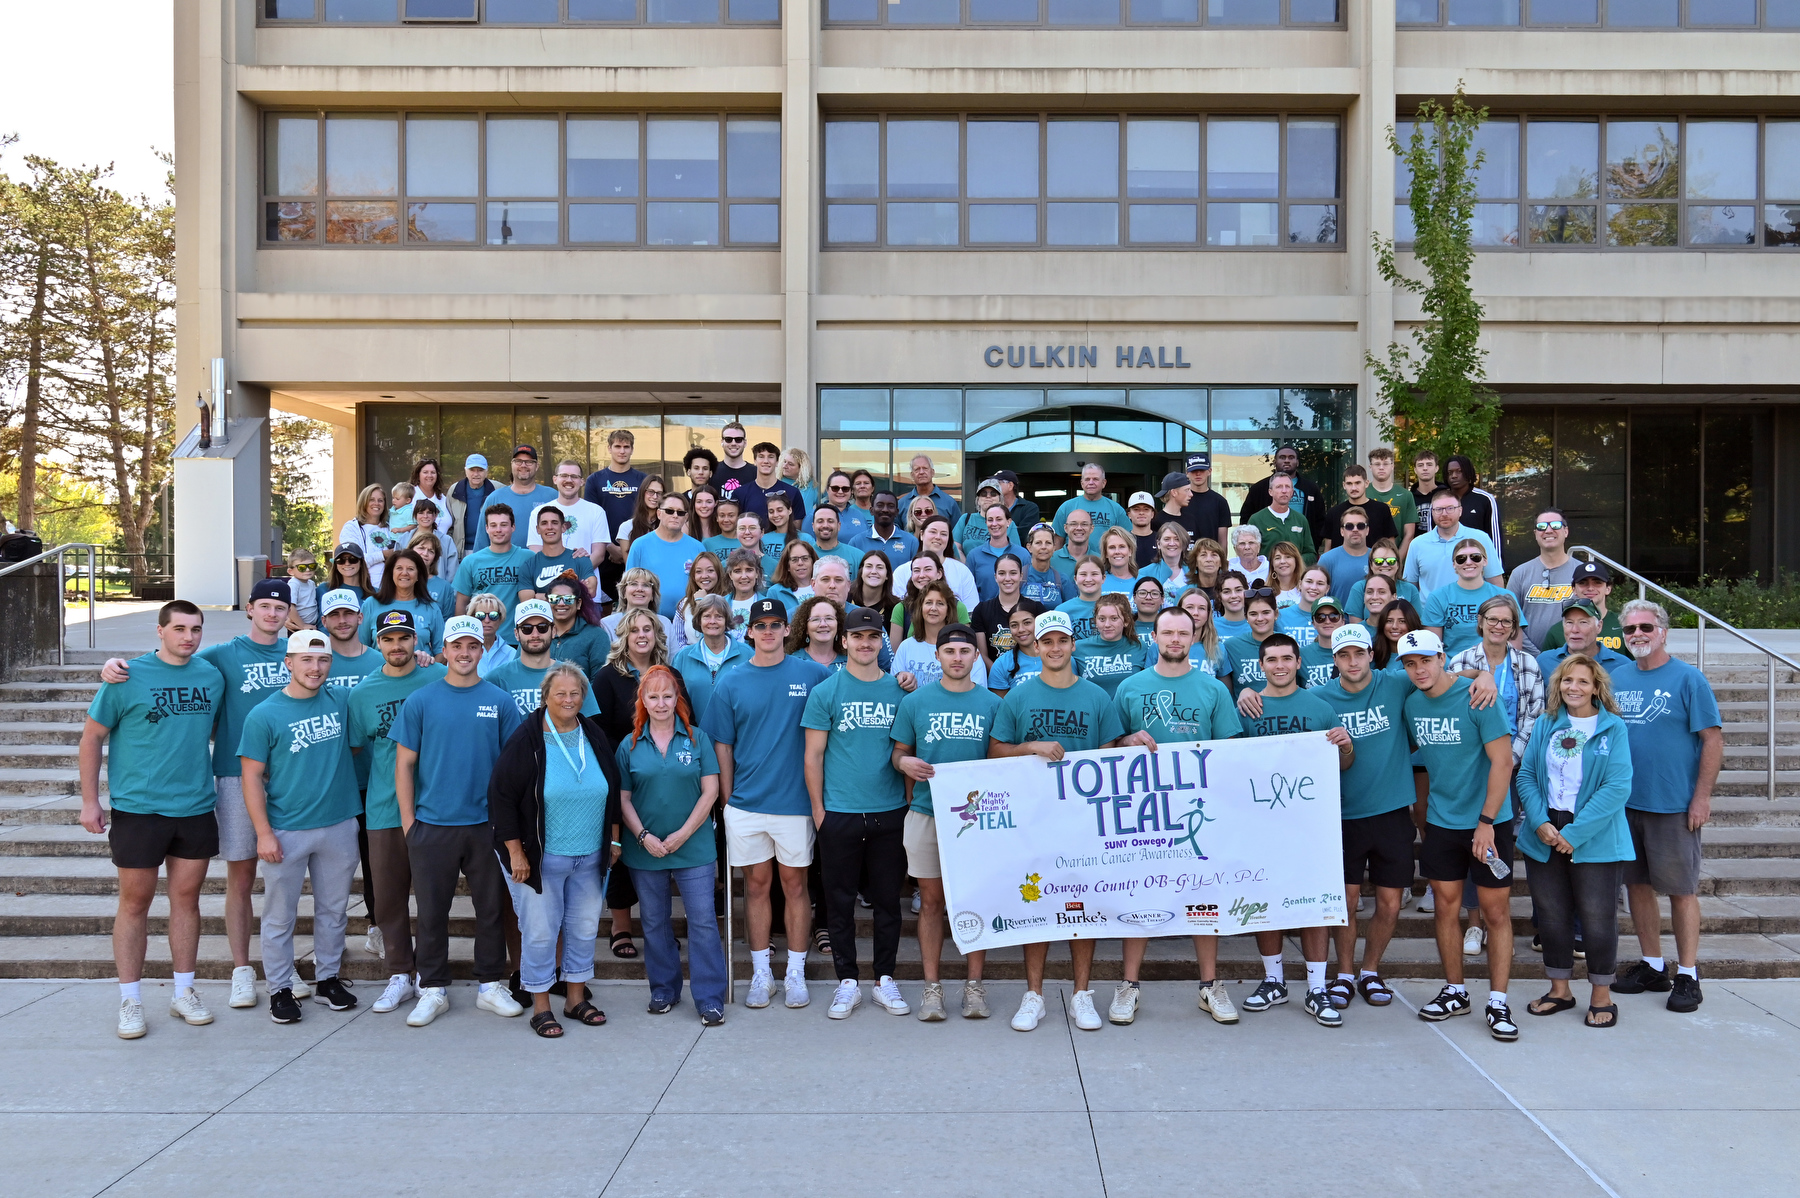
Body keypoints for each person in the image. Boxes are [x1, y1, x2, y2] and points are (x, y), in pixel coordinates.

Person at [100, 579, 299, 1011]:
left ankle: (276, 969)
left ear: (290, 613)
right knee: (235, 880)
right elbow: (167, 663)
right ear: (249, 608)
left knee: (283, 881)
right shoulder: (219, 657)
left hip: (285, 780)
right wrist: (115, 665)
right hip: (226, 778)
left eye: (280, 607)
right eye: (264, 606)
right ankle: (238, 972)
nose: (272, 614)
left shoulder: (297, 653)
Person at [80, 600, 224, 1038]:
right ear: (160, 631)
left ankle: (184, 992)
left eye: (196, 629)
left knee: (187, 900)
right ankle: (131, 1000)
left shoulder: (211, 676)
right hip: (139, 809)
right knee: (135, 903)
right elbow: (92, 738)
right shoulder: (126, 676)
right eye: (179, 628)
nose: (188, 637)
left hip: (195, 806)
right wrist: (90, 801)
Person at [989, 610, 1128, 1033]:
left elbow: (1109, 756)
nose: (1054, 648)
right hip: (1033, 821)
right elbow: (995, 750)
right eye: (1046, 641)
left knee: (1081, 905)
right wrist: (1029, 746)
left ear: (1072, 644)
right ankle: (1034, 994)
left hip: (1084, 822)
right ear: (1035, 646)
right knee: (1035, 903)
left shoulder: (1096, 697)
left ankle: (1082, 993)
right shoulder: (1018, 697)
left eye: (1061, 641)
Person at [1108, 605, 1242, 1025]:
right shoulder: (1130, 687)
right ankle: (1129, 986)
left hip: (1198, 815)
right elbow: (1108, 747)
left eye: (1183, 633)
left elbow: (1228, 753)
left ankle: (1210, 986)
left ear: (1195, 637)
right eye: (1167, 632)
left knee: (1204, 897)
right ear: (1154, 637)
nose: (1175, 640)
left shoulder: (1213, 689)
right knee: (1139, 896)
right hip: (1144, 814)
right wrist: (1126, 740)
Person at [392, 614, 527, 1026]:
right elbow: (404, 765)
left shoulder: (500, 701)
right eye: (457, 646)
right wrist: (410, 824)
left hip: (487, 825)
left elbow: (513, 770)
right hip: (432, 825)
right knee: (432, 913)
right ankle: (433, 988)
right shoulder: (421, 700)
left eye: (472, 646)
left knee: (491, 910)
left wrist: (510, 827)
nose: (465, 653)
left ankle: (490, 985)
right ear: (444, 651)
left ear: (482, 650)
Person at [700, 599, 831, 1011]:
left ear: (788, 630)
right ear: (749, 632)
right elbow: (722, 746)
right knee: (756, 886)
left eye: (776, 624)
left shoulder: (812, 674)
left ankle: (795, 972)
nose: (769, 631)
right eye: (762, 625)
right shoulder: (731, 681)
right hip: (747, 803)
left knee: (795, 886)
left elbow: (845, 702)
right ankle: (761, 974)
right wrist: (728, 801)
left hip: (795, 803)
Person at [1397, 629, 1520, 1041]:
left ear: (1441, 658)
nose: (1419, 670)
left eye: (1425, 660)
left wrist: (1486, 823)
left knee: (1495, 914)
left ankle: (1498, 1001)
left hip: (1489, 822)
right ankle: (1456, 991)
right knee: (1446, 910)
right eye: (1410, 664)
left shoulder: (1479, 697)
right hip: (1441, 821)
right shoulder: (1412, 704)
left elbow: (1503, 763)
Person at [237, 629, 363, 1023]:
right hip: (287, 828)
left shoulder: (341, 700)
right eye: (306, 659)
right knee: (279, 915)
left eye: (323, 660)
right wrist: (263, 833)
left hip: (339, 822)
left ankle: (328, 979)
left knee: (333, 910)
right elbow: (250, 776)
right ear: (288, 663)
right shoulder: (264, 714)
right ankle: (279, 989)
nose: (315, 667)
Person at [489, 660, 619, 1037]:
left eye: (575, 693)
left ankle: (575, 999)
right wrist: (516, 852)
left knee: (583, 928)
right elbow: (501, 798)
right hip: (540, 858)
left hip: (589, 856)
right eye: (560, 693)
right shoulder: (527, 739)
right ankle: (541, 1007)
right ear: (545, 696)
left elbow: (611, 786)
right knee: (541, 933)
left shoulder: (592, 733)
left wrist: (613, 838)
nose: (568, 699)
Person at [1231, 633, 1355, 1027]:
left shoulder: (1320, 707)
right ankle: (1274, 981)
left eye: (1287, 658)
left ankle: (1317, 988)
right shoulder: (1248, 707)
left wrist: (1346, 746)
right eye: (1272, 660)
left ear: (1299, 662)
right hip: (1261, 825)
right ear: (1261, 665)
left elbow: (1342, 765)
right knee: (1265, 902)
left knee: (1314, 902)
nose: (1280, 666)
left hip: (1310, 827)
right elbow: (1230, 764)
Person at [1610, 600, 1723, 1013]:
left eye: (1645, 627)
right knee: (1637, 886)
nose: (1637, 634)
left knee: (1681, 890)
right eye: (1630, 629)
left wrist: (1701, 797)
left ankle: (1688, 973)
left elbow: (1712, 739)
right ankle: (1653, 965)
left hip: (1673, 805)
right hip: (1625, 804)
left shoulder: (1688, 678)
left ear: (1663, 631)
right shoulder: (1617, 678)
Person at [803, 606, 913, 1019]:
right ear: (844, 641)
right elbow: (813, 756)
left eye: (873, 636)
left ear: (881, 641)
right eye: (858, 636)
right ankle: (847, 981)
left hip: (889, 811)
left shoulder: (900, 691)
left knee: (887, 902)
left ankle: (885, 979)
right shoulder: (826, 691)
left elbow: (906, 750)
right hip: (840, 812)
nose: (865, 643)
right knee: (839, 903)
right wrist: (820, 812)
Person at [891, 625, 1003, 1021]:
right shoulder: (916, 702)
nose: (957, 658)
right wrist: (905, 763)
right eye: (950, 651)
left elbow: (1002, 758)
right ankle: (932, 987)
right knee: (931, 902)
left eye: (964, 651)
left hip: (977, 819)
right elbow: (899, 753)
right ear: (937, 656)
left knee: (975, 900)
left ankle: (974, 986)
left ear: (975, 657)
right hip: (926, 812)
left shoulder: (991, 704)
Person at [1517, 654, 1635, 1028]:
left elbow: (1617, 786)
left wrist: (1575, 833)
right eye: (1567, 680)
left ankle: (1601, 996)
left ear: (1596, 687)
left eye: (1583, 681)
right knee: (1551, 916)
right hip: (1545, 830)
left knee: (1598, 918)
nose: (1574, 687)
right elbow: (1526, 776)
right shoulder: (1546, 723)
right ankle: (1560, 991)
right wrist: (1539, 821)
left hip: (1593, 833)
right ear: (1558, 685)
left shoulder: (1613, 728)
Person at [1311, 623, 1416, 1010]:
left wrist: (1483, 676)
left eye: (1359, 653)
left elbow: (1443, 674)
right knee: (1347, 902)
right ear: (1334, 659)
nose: (1352, 661)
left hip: (1392, 811)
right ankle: (1343, 974)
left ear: (1372, 655)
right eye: (1344, 655)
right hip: (1342, 815)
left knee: (1389, 903)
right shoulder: (1319, 698)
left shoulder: (1395, 683)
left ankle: (1370, 970)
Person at [346, 611, 446, 1016]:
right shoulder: (362, 693)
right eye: (388, 638)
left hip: (435, 807)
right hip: (384, 808)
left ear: (416, 640)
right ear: (377, 642)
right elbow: (354, 748)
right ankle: (399, 973)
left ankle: (430, 974)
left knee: (433, 898)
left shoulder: (438, 678)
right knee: (388, 898)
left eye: (404, 637)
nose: (397, 645)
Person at [618, 664, 728, 1025]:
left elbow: (711, 791)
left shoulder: (698, 739)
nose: (661, 703)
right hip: (645, 850)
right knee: (654, 922)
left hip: (694, 848)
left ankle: (709, 997)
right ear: (643, 701)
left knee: (703, 921)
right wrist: (643, 836)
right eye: (653, 696)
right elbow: (623, 799)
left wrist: (683, 833)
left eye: (668, 696)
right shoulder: (629, 745)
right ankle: (664, 988)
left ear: (677, 698)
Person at [487, 599, 605, 721]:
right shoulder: (496, 678)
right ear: (516, 633)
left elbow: (586, 725)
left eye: (542, 627)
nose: (535, 635)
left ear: (553, 631)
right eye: (527, 628)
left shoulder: (575, 676)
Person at [453, 504, 536, 643]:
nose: (498, 530)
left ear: (513, 527)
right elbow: (461, 605)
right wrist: (462, 637)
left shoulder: (529, 558)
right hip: (480, 639)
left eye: (504, 525)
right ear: (486, 528)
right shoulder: (470, 561)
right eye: (493, 525)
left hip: (518, 639)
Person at [1422, 538, 1517, 657]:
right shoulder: (1438, 597)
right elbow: (1433, 648)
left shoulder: (1505, 596)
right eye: (1461, 559)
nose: (1468, 562)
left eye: (1475, 557)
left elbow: (1514, 643)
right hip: (1452, 665)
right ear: (1454, 564)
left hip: (1497, 664)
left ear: (1485, 561)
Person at [892, 579, 990, 691]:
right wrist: (901, 678)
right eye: (929, 602)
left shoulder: (966, 648)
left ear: (948, 610)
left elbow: (979, 691)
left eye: (940, 603)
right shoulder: (906, 647)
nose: (933, 608)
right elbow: (894, 689)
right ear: (921, 608)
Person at [672, 593, 754, 721]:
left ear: (727, 620)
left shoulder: (747, 654)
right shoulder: (683, 657)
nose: (712, 621)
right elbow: (673, 698)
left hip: (736, 731)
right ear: (699, 620)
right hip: (694, 731)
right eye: (707, 616)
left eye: (719, 616)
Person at [1404, 488, 1503, 595]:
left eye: (1450, 508)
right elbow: (1410, 587)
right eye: (1438, 509)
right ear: (1432, 512)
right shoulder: (1417, 544)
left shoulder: (1481, 538)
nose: (1444, 514)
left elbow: (1495, 583)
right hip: (1431, 606)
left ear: (1460, 510)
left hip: (1474, 605)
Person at [1506, 509, 1577, 650]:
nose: (1548, 530)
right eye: (1542, 526)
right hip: (1528, 658)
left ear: (1566, 531)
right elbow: (1509, 618)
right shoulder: (1520, 573)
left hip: (1573, 657)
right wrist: (1535, 655)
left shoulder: (1581, 573)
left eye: (1555, 525)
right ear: (1535, 534)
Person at [624, 491, 704, 618]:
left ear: (686, 517)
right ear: (659, 513)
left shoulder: (698, 547)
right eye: (669, 511)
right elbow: (628, 585)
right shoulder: (640, 545)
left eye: (680, 512)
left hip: (688, 620)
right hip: (649, 620)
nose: (675, 515)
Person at [358, 547, 446, 658]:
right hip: (380, 669)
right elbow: (361, 648)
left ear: (418, 575)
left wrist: (430, 668)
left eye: (410, 569)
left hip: (420, 668)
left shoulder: (431, 607)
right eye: (399, 568)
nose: (404, 573)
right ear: (391, 573)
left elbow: (441, 652)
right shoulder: (371, 604)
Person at [527, 460, 611, 573]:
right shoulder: (538, 513)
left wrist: (572, 577)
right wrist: (560, 579)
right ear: (555, 479)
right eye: (564, 475)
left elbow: (599, 555)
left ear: (582, 482)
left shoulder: (596, 511)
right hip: (549, 582)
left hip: (585, 581)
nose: (569, 480)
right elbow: (536, 552)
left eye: (574, 476)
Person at [1540, 560, 1632, 658]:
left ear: (1608, 588)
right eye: (1583, 583)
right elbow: (1547, 664)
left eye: (1597, 582)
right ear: (1574, 589)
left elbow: (1636, 664)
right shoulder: (1557, 631)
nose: (1590, 588)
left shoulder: (1624, 624)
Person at [1239, 445, 1328, 545]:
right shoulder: (1259, 488)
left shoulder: (1310, 488)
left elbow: (1320, 519)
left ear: (1297, 462)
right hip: (1268, 548)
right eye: (1282, 457)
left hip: (1301, 548)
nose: (1286, 460)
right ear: (1275, 462)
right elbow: (1246, 518)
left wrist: (1313, 544)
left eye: (1291, 457)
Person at [583, 427, 648, 560]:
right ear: (609, 448)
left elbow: (649, 515)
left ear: (632, 450)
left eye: (626, 447)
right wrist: (609, 547)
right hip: (603, 551)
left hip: (637, 548)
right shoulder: (594, 480)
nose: (622, 451)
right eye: (617, 446)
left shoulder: (644, 480)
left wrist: (628, 549)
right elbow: (590, 517)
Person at [478, 445, 557, 553]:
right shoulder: (495, 498)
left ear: (537, 466)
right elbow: (481, 542)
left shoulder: (552, 496)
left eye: (529, 462)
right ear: (512, 464)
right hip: (505, 562)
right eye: (518, 461)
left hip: (545, 561)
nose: (523, 465)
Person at [1072, 593, 1146, 697]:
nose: (1107, 625)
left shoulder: (1139, 646)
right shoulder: (1077, 648)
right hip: (1094, 706)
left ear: (1126, 621)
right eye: (1102, 619)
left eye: (1114, 618)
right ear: (1095, 621)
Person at [543, 571, 613, 677]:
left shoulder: (596, 636)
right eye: (554, 599)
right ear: (548, 602)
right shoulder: (534, 632)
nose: (561, 603)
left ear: (578, 603)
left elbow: (600, 679)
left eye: (568, 599)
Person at [1537, 598, 1633, 676]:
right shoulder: (1544, 662)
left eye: (1583, 622)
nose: (1574, 629)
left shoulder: (1622, 665)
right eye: (1569, 622)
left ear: (1599, 626)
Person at [1321, 465, 1399, 553]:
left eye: (1358, 483)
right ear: (1344, 485)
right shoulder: (1334, 513)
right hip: (1341, 561)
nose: (1353, 488)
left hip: (1375, 561)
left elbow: (1390, 546)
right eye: (1349, 483)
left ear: (1366, 483)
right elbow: (1328, 549)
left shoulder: (1382, 510)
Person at [1247, 472, 1317, 566]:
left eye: (1287, 487)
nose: (1284, 491)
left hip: (1296, 574)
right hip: (1268, 574)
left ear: (1292, 492)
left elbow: (1311, 554)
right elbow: (1250, 554)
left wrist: (1293, 562)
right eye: (1279, 487)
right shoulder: (1256, 520)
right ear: (1270, 492)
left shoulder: (1301, 520)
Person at [1364, 447, 1419, 566]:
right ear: (1370, 467)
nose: (1381, 467)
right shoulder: (1363, 493)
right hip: (1366, 560)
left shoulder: (1406, 495)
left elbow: (1409, 534)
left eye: (1385, 464)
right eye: (1377, 464)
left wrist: (1395, 561)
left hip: (1397, 561)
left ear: (1392, 466)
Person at [1222, 588, 1281, 697]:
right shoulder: (1231, 646)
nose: (1260, 618)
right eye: (1253, 614)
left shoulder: (1288, 644)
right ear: (1246, 617)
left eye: (1266, 612)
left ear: (1276, 614)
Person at [340, 483, 399, 588]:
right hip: (364, 589)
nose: (376, 503)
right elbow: (353, 561)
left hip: (390, 589)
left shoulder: (390, 528)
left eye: (380, 500)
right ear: (364, 502)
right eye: (371, 500)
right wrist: (383, 555)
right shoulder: (351, 528)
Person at [972, 552, 1028, 662]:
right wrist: (997, 672)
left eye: (1013, 573)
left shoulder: (1035, 609)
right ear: (995, 577)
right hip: (992, 671)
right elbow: (982, 656)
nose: (1007, 578)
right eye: (1002, 573)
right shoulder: (981, 610)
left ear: (1021, 576)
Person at [1051, 463, 1130, 540]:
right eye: (1087, 479)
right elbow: (1058, 539)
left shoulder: (1116, 509)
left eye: (1095, 479)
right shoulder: (1066, 507)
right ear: (1082, 483)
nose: (1091, 483)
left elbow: (1128, 538)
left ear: (1104, 483)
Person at [1346, 539, 1420, 621]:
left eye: (1391, 561)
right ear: (1371, 565)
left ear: (1398, 564)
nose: (1385, 565)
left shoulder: (1410, 589)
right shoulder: (1359, 588)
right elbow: (1356, 626)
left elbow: (1416, 623)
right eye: (1379, 561)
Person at [1445, 454, 1503, 553]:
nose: (1454, 476)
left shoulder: (1485, 499)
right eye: (1450, 472)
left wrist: (1496, 562)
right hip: (1446, 559)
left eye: (1459, 471)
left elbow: (1495, 538)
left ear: (1468, 472)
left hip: (1476, 559)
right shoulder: (1440, 501)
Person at [1317, 505, 1374, 604]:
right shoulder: (1327, 559)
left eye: (1360, 526)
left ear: (1367, 530)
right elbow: (1318, 596)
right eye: (1349, 526)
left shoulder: (1378, 558)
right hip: (1337, 614)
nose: (1355, 529)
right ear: (1342, 531)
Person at [988, 600, 1047, 694]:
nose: (1021, 630)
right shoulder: (1002, 664)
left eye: (1027, 623)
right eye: (1014, 625)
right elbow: (1000, 702)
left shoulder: (1059, 657)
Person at [965, 500, 1017, 604]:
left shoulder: (1022, 555)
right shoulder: (974, 556)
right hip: (983, 612)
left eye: (999, 519)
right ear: (986, 523)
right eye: (990, 520)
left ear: (1008, 522)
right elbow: (968, 591)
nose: (994, 524)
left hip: (1016, 612)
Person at [851, 492, 918, 568]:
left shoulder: (911, 542)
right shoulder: (856, 542)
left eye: (890, 506)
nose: (885, 510)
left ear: (897, 512)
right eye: (880, 505)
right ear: (871, 510)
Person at [955, 479, 1017, 561]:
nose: (988, 496)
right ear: (978, 500)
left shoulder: (1008, 523)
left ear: (1000, 499)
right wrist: (967, 565)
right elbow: (955, 547)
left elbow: (1015, 553)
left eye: (993, 494)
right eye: (983, 494)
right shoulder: (966, 518)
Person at [745, 440, 806, 521]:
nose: (766, 461)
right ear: (755, 461)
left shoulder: (792, 493)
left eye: (771, 457)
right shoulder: (741, 493)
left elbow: (797, 526)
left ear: (777, 462)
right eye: (761, 456)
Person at [410, 458, 462, 552]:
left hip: (443, 550)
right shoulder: (410, 495)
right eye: (425, 472)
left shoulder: (443, 498)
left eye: (433, 472)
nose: (429, 475)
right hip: (419, 551)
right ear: (418, 474)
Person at [451, 454, 496, 556]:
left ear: (486, 471)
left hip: (490, 549)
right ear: (465, 471)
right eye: (472, 470)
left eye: (480, 470)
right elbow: (450, 520)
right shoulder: (454, 490)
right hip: (462, 550)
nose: (476, 474)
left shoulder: (497, 489)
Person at [1022, 522, 1074, 607]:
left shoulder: (1062, 580)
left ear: (1054, 548)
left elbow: (1072, 609)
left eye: (1048, 543)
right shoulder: (1019, 577)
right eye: (1038, 543)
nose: (1043, 547)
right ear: (1029, 547)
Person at [467, 592, 518, 677]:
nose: (487, 620)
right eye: (480, 615)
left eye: (493, 615)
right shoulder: (462, 654)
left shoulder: (512, 654)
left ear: (500, 618)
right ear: (472, 618)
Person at [710, 421, 759, 511]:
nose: (733, 443)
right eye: (728, 439)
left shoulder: (756, 473)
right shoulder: (712, 471)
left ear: (745, 443)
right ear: (722, 442)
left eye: (738, 439)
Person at [766, 539, 821, 616]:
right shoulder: (775, 592)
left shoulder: (825, 586)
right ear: (787, 566)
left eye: (805, 558)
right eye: (794, 560)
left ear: (813, 562)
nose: (800, 563)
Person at [1055, 556, 1106, 641]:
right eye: (1083, 574)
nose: (1088, 579)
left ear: (1103, 578)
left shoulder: (1114, 607)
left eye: (1094, 574)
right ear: (1075, 579)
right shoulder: (1062, 611)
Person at [788, 595, 846, 670]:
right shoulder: (793, 662)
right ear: (805, 627)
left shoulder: (849, 662)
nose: (823, 624)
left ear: (838, 624)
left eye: (829, 618)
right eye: (815, 619)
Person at [819, 469, 874, 543]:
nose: (840, 492)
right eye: (835, 488)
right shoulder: (815, 515)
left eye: (845, 489)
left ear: (851, 491)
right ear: (827, 490)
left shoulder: (859, 515)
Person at [1137, 522, 1190, 597]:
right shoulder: (1143, 573)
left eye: (1177, 539)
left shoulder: (1194, 574)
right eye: (1167, 539)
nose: (1172, 543)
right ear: (1158, 544)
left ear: (1184, 544)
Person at [409, 500, 458, 580]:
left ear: (435, 516)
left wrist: (446, 587)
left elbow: (453, 571)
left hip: (438, 586)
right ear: (415, 516)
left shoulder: (446, 541)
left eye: (429, 513)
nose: (425, 516)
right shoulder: (403, 539)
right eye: (421, 513)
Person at [810, 503, 864, 575]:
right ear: (813, 526)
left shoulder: (857, 557)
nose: (825, 525)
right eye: (820, 521)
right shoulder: (806, 556)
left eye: (830, 521)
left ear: (839, 526)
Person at [1125, 490, 1172, 565]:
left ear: (1152, 514)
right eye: (1136, 509)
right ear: (1129, 514)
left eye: (1146, 509)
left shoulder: (1162, 540)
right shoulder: (1123, 540)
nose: (1141, 513)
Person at [1049, 509, 1097, 581]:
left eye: (1084, 524)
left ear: (1091, 528)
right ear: (1065, 528)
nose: (1079, 528)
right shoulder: (1051, 560)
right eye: (1073, 524)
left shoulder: (1100, 560)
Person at [1408, 449, 1441, 539]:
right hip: (1416, 544)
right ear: (1415, 470)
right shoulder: (1409, 497)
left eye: (1429, 464)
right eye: (1420, 465)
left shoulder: (1446, 495)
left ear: (1436, 468)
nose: (1425, 468)